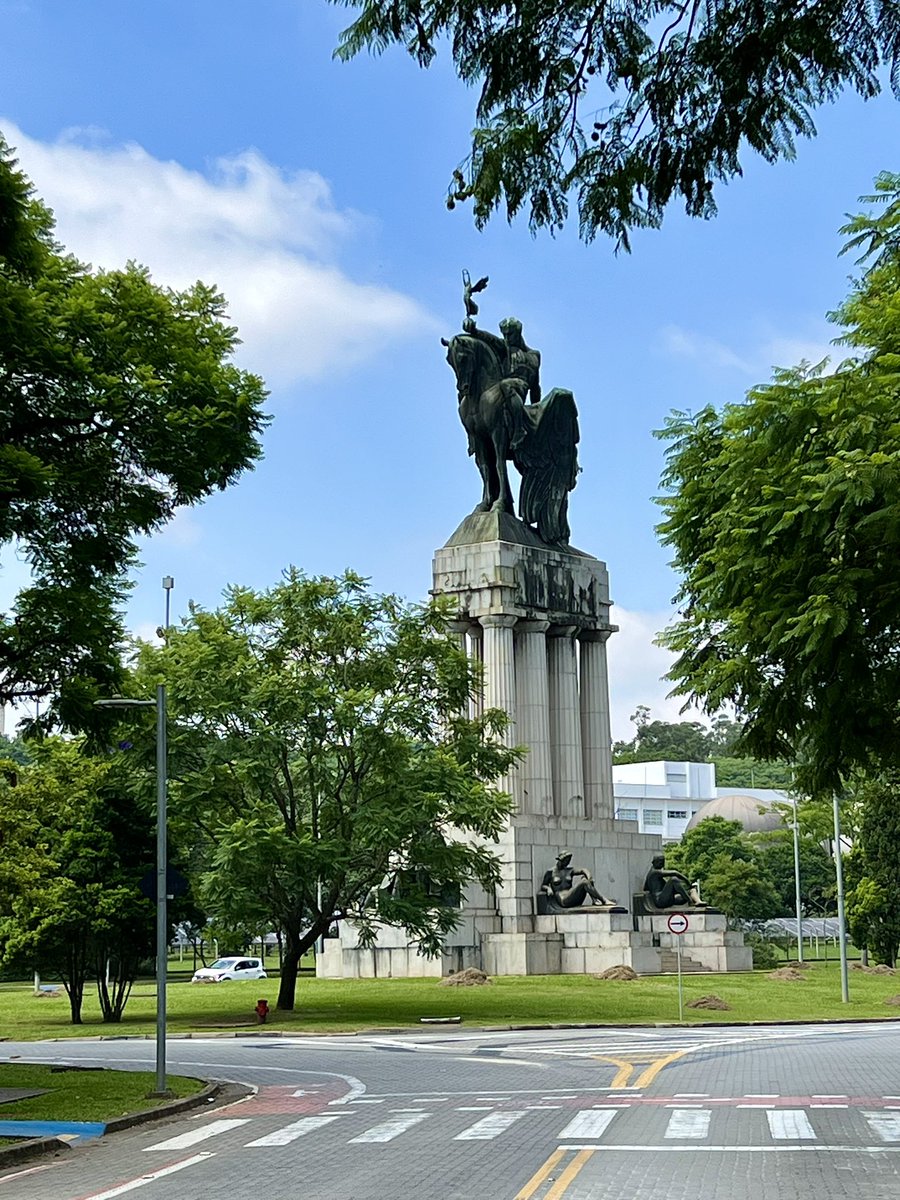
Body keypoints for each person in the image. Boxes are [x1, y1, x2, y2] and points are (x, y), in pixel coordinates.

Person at [541, 853, 613, 908]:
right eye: (566, 861)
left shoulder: (569, 870)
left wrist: (589, 877)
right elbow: (543, 885)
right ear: (561, 860)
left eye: (569, 861)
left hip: (572, 896)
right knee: (584, 882)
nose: (568, 863)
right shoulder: (550, 872)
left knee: (585, 879)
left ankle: (594, 899)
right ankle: (603, 900)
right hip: (563, 899)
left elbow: (583, 870)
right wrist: (548, 888)